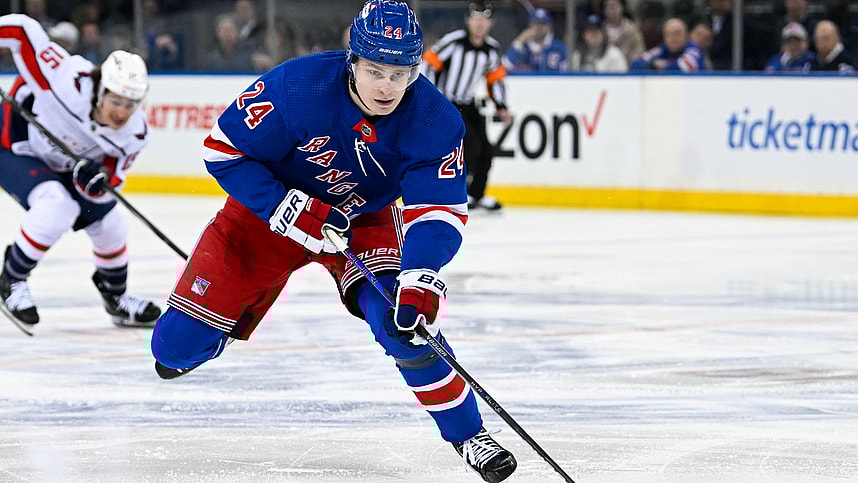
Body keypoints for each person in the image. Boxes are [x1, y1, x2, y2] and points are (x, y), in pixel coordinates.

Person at [149, 1, 517, 482]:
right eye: (375, 71)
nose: (387, 86)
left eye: (401, 72)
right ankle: (219, 327)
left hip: (362, 223)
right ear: (353, 61)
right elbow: (223, 149)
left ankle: (470, 435)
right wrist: (288, 209)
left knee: (400, 323)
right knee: (173, 348)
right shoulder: (296, 87)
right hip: (264, 216)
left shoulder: (435, 120)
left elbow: (440, 211)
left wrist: (421, 274)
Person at [0, 14, 161, 331]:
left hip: (67, 165)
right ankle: (11, 280)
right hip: (16, 146)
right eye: (116, 101)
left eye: (131, 105)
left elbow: (111, 179)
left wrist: (95, 181)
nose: (122, 113)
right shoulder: (62, 77)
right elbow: (20, 31)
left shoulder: (134, 133)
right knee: (56, 204)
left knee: (111, 224)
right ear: (101, 91)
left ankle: (116, 298)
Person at [421, 1, 512, 212]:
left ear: (491, 23)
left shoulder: (491, 49)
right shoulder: (453, 42)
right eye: (476, 19)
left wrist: (502, 106)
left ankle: (477, 193)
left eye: (484, 19)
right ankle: (459, 192)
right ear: (468, 20)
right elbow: (429, 64)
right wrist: (432, 98)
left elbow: (495, 79)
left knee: (487, 151)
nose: (480, 24)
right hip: (448, 104)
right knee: (470, 147)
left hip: (469, 104)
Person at [630, 17, 707, 72]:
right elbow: (636, 63)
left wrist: (663, 67)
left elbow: (685, 67)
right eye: (668, 34)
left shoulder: (693, 49)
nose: (672, 38)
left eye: (677, 33)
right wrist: (653, 65)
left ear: (686, 35)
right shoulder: (662, 49)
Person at [503, 8, 568, 72]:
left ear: (550, 26)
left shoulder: (559, 47)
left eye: (543, 24)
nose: (539, 27)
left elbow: (566, 72)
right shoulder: (522, 47)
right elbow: (505, 66)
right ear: (530, 25)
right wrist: (521, 39)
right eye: (536, 24)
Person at [601, 0, 645, 64]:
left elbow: (639, 51)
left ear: (622, 8)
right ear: (604, 10)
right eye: (609, 7)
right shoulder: (600, 30)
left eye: (615, 6)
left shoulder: (632, 30)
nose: (613, 10)